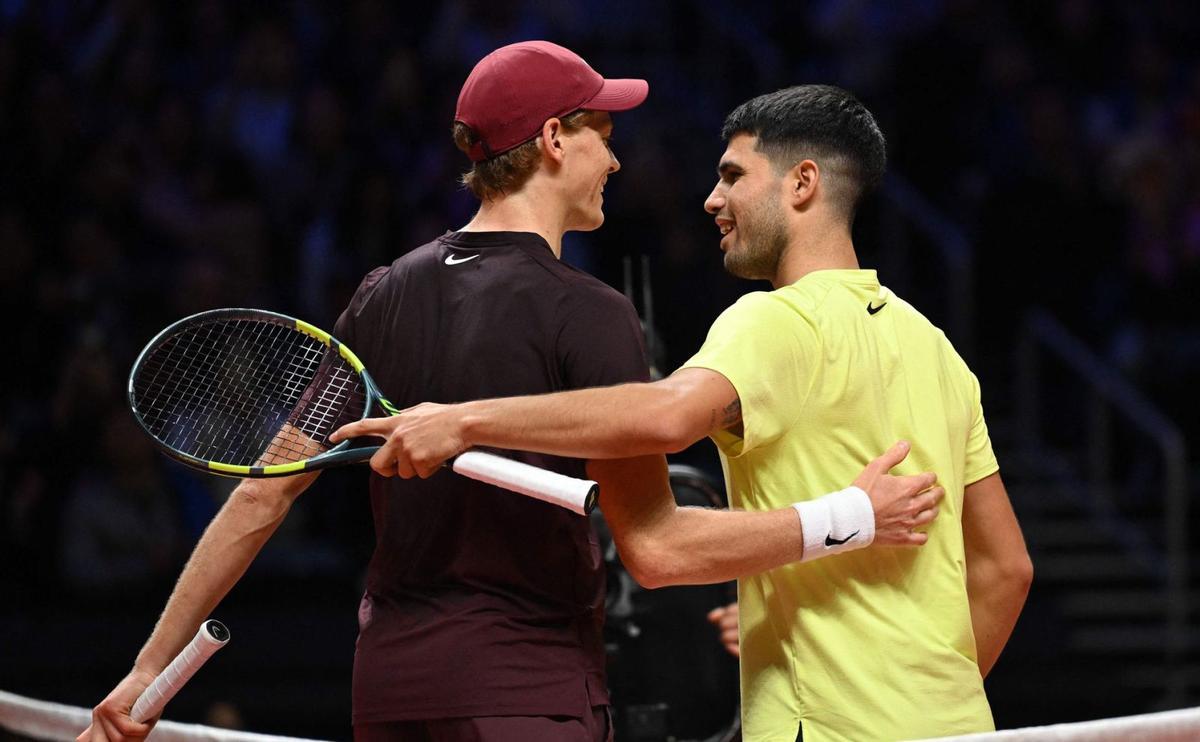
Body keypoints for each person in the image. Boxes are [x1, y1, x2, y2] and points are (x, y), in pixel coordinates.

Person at [81, 46, 941, 742]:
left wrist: (144, 673)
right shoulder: (591, 312)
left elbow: (259, 502)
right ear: (556, 139)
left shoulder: (381, 292)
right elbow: (659, 550)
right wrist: (848, 519)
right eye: (604, 131)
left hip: (387, 687)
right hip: (526, 690)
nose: (616, 157)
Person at [332, 84, 1034, 741]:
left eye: (732, 176)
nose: (710, 200)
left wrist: (463, 421)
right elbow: (1007, 570)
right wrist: (919, 707)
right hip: (953, 723)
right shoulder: (934, 346)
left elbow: (666, 417)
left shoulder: (772, 322)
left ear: (803, 184)